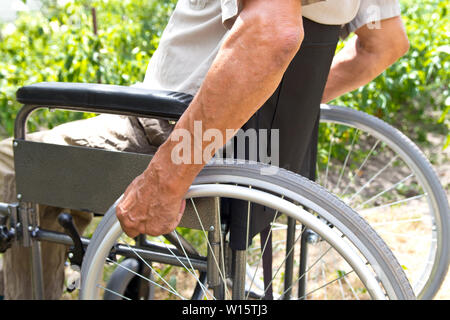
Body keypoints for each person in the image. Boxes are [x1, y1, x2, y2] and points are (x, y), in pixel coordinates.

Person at [0, 0, 409, 299]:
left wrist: (166, 178)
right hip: (257, 149)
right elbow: (385, 45)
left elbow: (272, 33)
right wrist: (264, 101)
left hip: (167, 132)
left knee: (9, 164)